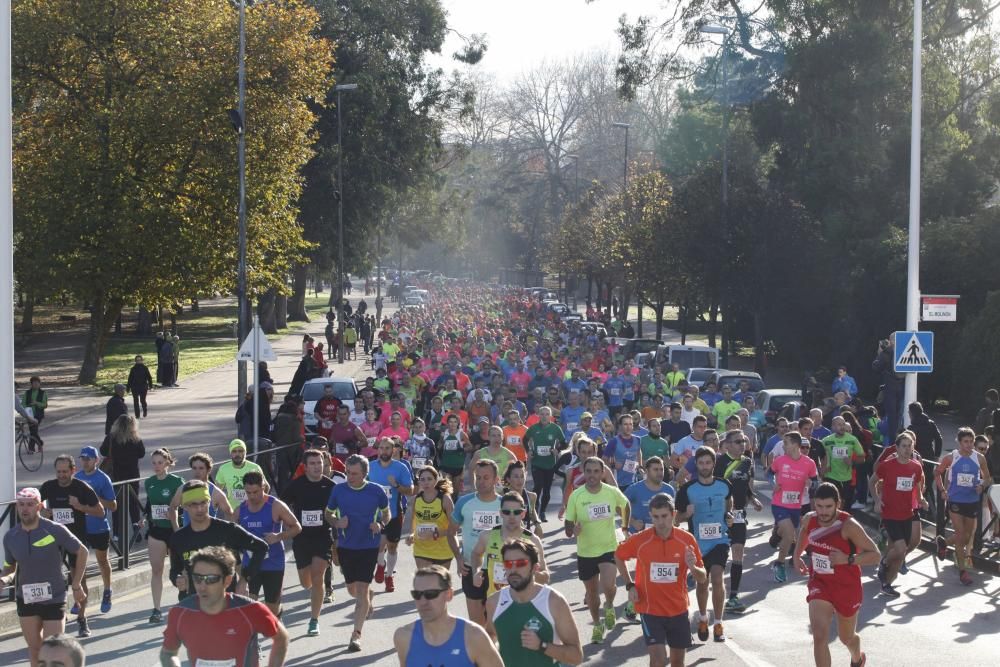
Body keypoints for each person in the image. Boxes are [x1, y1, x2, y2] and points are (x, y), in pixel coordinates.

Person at [793, 483, 880, 667]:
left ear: (838, 504)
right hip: (820, 583)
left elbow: (875, 555)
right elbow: (804, 533)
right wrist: (797, 556)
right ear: (813, 504)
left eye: (828, 507)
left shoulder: (848, 526)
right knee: (819, 635)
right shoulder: (810, 519)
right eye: (819, 506)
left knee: (846, 637)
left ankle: (857, 658)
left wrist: (847, 559)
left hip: (847, 587)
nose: (823, 512)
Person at [615, 493, 706, 667]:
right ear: (651, 516)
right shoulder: (641, 540)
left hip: (678, 609)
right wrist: (630, 585)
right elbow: (619, 556)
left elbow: (702, 578)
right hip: (650, 610)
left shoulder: (686, 540)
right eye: (655, 517)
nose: (660, 521)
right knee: (658, 660)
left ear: (673, 515)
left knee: (677, 662)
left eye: (664, 516)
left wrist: (693, 567)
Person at [1, 488, 87, 667]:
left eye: (30, 505)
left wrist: (77, 584)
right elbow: (10, 567)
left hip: (54, 597)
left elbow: (82, 552)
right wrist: (4, 579)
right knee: (35, 651)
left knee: (53, 652)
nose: (25, 509)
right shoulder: (11, 537)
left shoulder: (54, 529)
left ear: (39, 506)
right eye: (21, 505)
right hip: (26, 598)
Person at [161, 546, 289, 667]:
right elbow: (168, 653)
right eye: (197, 578)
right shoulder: (180, 613)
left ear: (227, 580)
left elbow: (281, 639)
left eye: (211, 579)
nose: (202, 586)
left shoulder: (251, 610)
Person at [325, 454, 390, 652]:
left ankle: (356, 634)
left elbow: (387, 513)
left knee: (360, 591)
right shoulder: (338, 490)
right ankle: (368, 593)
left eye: (354, 474)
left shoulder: (376, 491)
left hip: (368, 546)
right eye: (347, 473)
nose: (349, 477)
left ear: (364, 474)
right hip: (346, 546)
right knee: (353, 590)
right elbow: (328, 513)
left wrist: (380, 524)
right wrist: (337, 522)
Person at [484, 540, 584, 666]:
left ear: (535, 568)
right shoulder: (494, 602)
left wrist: (542, 645)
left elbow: (576, 656)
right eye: (508, 564)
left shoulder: (554, 602)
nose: (514, 569)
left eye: (521, 563)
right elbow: (491, 635)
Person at [564, 456, 630, 644]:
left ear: (602, 473)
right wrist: (572, 530)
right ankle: (596, 624)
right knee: (592, 594)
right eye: (588, 471)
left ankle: (609, 605)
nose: (592, 475)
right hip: (586, 552)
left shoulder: (611, 492)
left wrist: (625, 528)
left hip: (608, 547)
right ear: (584, 473)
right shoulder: (576, 496)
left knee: (609, 586)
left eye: (596, 471)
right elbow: (568, 525)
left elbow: (625, 506)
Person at [168, 480, 268, 601]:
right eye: (193, 505)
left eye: (203, 503)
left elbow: (261, 547)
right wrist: (177, 579)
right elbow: (174, 571)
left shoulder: (228, 530)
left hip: (225, 603)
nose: (200, 509)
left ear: (209, 502)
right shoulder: (179, 538)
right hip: (195, 604)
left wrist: (244, 579)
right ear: (185, 506)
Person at [40, 456, 103, 638]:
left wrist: (80, 506)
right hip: (54, 540)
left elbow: (99, 511)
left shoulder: (81, 488)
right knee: (54, 579)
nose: (61, 475)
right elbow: (34, 506)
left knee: (79, 580)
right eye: (58, 472)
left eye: (65, 472)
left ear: (73, 470)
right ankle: (60, 614)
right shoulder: (49, 487)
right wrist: (42, 511)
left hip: (76, 540)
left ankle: (82, 619)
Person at [675, 446, 733, 643]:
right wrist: (686, 515)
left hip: (720, 540)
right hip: (697, 542)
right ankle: (702, 617)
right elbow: (676, 519)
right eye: (701, 463)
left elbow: (728, 505)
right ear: (696, 465)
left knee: (717, 578)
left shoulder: (724, 485)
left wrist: (729, 517)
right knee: (702, 582)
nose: (705, 466)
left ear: (713, 464)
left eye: (708, 462)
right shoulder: (687, 490)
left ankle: (718, 623)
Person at [394, 565, 505, 667]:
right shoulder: (404, 637)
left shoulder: (473, 636)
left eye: (431, 594)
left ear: (449, 594)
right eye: (417, 595)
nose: (423, 601)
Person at [280, 449, 336, 637]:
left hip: (323, 536)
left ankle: (314, 620)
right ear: (305, 467)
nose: (316, 466)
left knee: (318, 575)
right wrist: (287, 523)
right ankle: (313, 591)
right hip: (302, 537)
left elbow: (339, 510)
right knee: (306, 582)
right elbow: (282, 505)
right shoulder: (297, 485)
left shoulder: (330, 486)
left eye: (319, 463)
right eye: (312, 463)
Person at [237, 471, 301, 616]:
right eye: (248, 493)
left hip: (273, 562)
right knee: (249, 604)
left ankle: (277, 619)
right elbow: (230, 532)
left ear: (263, 487)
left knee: (272, 606)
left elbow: (297, 527)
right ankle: (252, 637)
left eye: (256, 492)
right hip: (251, 563)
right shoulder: (241, 509)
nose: (252, 496)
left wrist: (279, 536)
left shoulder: (275, 505)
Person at [872, 431, 927, 597]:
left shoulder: (916, 467)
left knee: (901, 551)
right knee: (901, 547)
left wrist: (922, 500)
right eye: (903, 446)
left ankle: (886, 583)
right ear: (897, 447)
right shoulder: (887, 465)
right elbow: (872, 481)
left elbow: (916, 487)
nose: (907, 449)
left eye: (909, 446)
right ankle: (884, 562)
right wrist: (876, 500)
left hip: (907, 513)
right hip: (889, 513)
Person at [934, 427, 990, 585]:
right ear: (959, 442)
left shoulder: (979, 458)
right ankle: (963, 571)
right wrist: (942, 490)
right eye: (966, 441)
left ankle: (944, 542)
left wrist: (982, 486)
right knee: (960, 534)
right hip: (955, 500)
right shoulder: (951, 457)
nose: (969, 444)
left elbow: (988, 478)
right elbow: (937, 472)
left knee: (966, 536)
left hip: (972, 500)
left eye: (971, 441)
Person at [450, 460, 502, 625]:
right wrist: (458, 559)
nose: (481, 482)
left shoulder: (505, 505)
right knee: (477, 624)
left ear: (496, 479)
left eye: (486, 477)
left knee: (496, 623)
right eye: (477, 477)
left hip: (498, 569)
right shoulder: (464, 502)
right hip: (471, 567)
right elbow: (451, 533)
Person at [715, 431, 762, 613]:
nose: (742, 444)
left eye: (744, 441)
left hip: (739, 514)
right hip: (720, 513)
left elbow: (745, 487)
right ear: (727, 444)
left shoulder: (747, 461)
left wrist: (753, 499)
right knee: (716, 554)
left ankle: (733, 596)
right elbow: (714, 485)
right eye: (737, 441)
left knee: (738, 552)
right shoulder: (719, 462)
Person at [471, 492, 549, 594]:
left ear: (523, 514)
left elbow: (545, 576)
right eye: (507, 512)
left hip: (523, 601)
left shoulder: (532, 540)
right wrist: (476, 572)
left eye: (516, 512)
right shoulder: (487, 536)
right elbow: (476, 554)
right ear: (501, 513)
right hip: (496, 601)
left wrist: (527, 572)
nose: (512, 516)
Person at [73, 447, 117, 616]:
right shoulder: (77, 477)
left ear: (96, 461)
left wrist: (95, 498)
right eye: (82, 458)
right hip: (80, 528)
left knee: (102, 561)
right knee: (78, 565)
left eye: (88, 459)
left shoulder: (103, 479)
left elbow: (113, 506)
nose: (85, 461)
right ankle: (80, 599)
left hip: (98, 527)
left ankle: (107, 590)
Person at [770, 431, 819, 583]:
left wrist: (811, 485)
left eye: (786, 443)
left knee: (791, 536)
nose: (783, 446)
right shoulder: (779, 460)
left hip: (796, 505)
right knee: (790, 535)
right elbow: (768, 474)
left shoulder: (809, 463)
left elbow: (815, 482)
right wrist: (774, 484)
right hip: (779, 503)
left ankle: (778, 534)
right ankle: (779, 564)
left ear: (796, 445)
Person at [142, 448, 185, 624]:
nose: (156, 466)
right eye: (154, 463)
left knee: (181, 570)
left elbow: (183, 505)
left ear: (167, 463)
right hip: (157, 530)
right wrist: (143, 518)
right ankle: (157, 609)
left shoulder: (177, 482)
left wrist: (174, 513)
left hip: (175, 530)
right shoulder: (149, 482)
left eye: (160, 463)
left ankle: (184, 603)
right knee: (157, 570)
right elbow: (150, 505)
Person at [367, 438, 415, 593]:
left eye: (387, 448)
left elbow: (410, 490)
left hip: (394, 513)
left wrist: (396, 485)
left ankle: (389, 576)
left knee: (392, 547)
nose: (384, 451)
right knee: (379, 545)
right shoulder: (370, 466)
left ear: (393, 450)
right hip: (376, 515)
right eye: (381, 448)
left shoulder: (400, 468)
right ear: (378, 449)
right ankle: (381, 564)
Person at [99, 414, 145, 541]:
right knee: (133, 504)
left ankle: (116, 534)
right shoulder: (135, 438)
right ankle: (136, 531)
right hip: (132, 475)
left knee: (116, 505)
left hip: (115, 476)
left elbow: (103, 451)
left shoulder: (111, 438)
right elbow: (142, 453)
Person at [409, 465, 456, 569]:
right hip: (421, 549)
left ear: (436, 480)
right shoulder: (415, 500)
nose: (426, 482)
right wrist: (412, 534)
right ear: (419, 482)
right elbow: (413, 520)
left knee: (440, 585)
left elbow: (454, 529)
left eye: (429, 479)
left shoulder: (445, 500)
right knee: (425, 584)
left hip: (442, 550)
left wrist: (436, 533)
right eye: (422, 479)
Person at [821, 416, 865, 509]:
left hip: (846, 478)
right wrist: (823, 469)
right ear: (833, 427)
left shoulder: (852, 440)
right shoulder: (826, 441)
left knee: (844, 505)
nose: (842, 427)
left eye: (843, 424)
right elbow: (819, 458)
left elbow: (862, 458)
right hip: (830, 477)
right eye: (839, 424)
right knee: (832, 503)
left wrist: (852, 461)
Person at [215, 439, 265, 511]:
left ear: (245, 452)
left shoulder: (255, 467)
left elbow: (265, 487)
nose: (237, 454)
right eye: (234, 451)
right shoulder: (223, 469)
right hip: (232, 511)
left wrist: (260, 505)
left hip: (252, 510)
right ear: (230, 453)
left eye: (240, 451)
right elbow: (217, 491)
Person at [23, 376, 48, 448]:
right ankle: (39, 442)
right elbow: (23, 403)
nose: (36, 384)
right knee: (33, 431)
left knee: (33, 431)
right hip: (29, 415)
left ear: (40, 384)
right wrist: (26, 409)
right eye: (34, 383)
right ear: (31, 384)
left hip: (38, 415)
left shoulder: (43, 393)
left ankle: (31, 448)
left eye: (37, 383)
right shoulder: (27, 393)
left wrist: (36, 403)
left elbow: (45, 405)